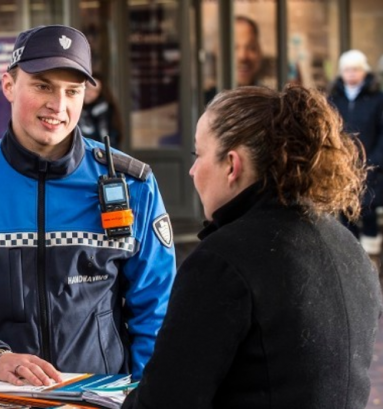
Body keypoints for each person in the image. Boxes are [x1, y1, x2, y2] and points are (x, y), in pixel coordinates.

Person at [0, 25, 176, 386]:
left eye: (72, 91)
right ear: (9, 85)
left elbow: (159, 312)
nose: (58, 106)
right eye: (43, 86)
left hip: (99, 399)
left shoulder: (134, 185)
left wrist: (142, 395)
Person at [123, 84, 383, 408]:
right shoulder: (349, 247)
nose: (191, 170)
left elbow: (164, 401)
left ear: (232, 165)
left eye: (198, 154)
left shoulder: (223, 261)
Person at [328, 49, 383, 255]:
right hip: (342, 163)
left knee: (368, 207)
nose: (351, 74)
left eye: (355, 69)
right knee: (344, 207)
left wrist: (376, 160)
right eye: (347, 70)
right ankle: (351, 254)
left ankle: (371, 258)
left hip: (371, 164)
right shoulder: (334, 98)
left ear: (364, 71)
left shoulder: (377, 99)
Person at [204, 16, 264, 103]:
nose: (243, 56)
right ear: (217, 51)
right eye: (234, 47)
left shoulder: (271, 106)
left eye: (251, 47)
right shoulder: (202, 104)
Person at [78, 72, 124, 149]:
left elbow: (114, 140)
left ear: (100, 93)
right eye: (88, 88)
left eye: (95, 91)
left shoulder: (106, 112)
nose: (90, 93)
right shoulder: (74, 109)